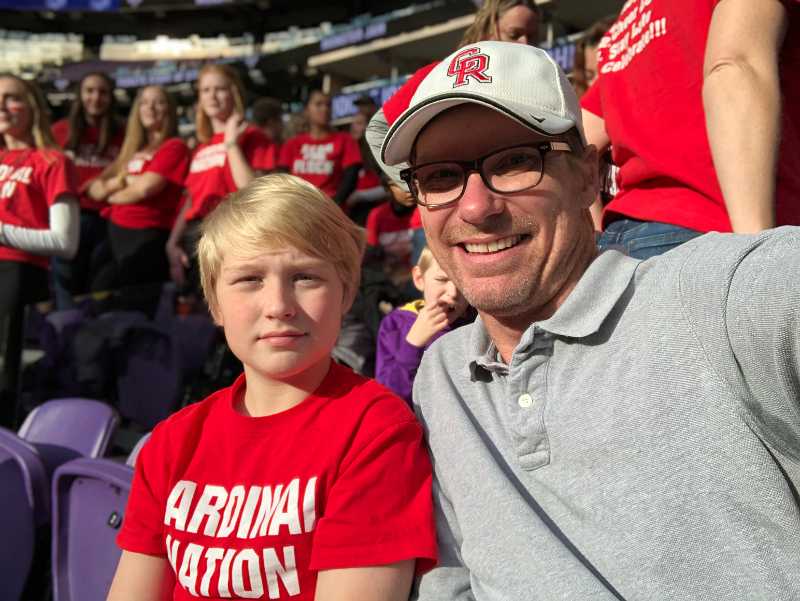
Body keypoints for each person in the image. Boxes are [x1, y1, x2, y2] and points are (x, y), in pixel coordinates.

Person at [380, 41, 800, 599]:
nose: (476, 207)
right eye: (439, 177)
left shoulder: (717, 300)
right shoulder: (443, 376)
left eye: (515, 162)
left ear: (588, 176)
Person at [107, 174, 436, 601]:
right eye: (250, 279)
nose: (279, 306)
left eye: (305, 277)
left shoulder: (375, 431)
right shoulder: (173, 441)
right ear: (214, 302)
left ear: (346, 292)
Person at [583, 0, 799, 256]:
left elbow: (579, 138)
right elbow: (736, 65)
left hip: (623, 240)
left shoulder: (628, 23)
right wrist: (756, 251)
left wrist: (593, 237)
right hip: (715, 229)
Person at [366, 0, 540, 261]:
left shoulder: (537, 84)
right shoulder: (446, 73)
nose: (525, 43)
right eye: (514, 34)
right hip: (444, 224)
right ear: (489, 28)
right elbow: (377, 129)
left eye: (532, 36)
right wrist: (418, 184)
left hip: (511, 215)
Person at [0, 74, 79, 426]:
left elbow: (65, 242)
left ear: (32, 107)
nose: (2, 106)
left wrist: (2, 233)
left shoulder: (52, 161)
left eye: (11, 98)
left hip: (16, 276)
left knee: (5, 379)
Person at [167, 64, 276, 296]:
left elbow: (254, 191)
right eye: (205, 90)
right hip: (194, 237)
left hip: (232, 231)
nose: (212, 96)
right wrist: (172, 243)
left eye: (220, 89)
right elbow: (191, 199)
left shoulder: (253, 136)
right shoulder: (202, 146)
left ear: (234, 93)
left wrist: (231, 144)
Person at [89, 85, 189, 290]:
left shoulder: (174, 146)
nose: (150, 108)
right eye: (144, 102)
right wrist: (120, 183)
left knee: (135, 297)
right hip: (116, 231)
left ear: (169, 110)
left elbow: (144, 189)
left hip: (146, 234)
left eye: (158, 102)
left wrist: (111, 193)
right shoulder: (132, 150)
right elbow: (94, 188)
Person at [51, 71, 123, 305]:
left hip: (108, 218)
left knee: (99, 288)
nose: (96, 97)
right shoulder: (59, 131)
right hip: (69, 216)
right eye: (89, 91)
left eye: (103, 92)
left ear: (111, 97)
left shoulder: (123, 133)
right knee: (66, 285)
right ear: (80, 95)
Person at [375, 248, 468, 404]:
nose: (453, 292)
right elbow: (389, 398)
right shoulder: (395, 325)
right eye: (442, 279)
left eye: (461, 281)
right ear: (419, 279)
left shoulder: (482, 321)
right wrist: (412, 344)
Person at [278, 90, 361, 205]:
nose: (325, 109)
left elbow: (351, 178)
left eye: (328, 105)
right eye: (318, 104)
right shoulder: (292, 144)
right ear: (307, 110)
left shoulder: (345, 140)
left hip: (331, 208)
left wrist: (333, 204)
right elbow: (282, 177)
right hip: (297, 207)